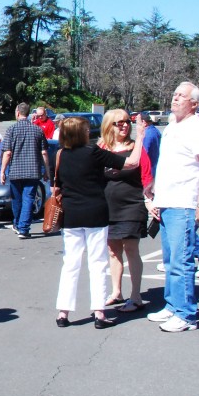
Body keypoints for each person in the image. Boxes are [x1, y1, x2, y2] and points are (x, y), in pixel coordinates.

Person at [54, 116, 144, 329]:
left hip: (71, 214)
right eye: (86, 130)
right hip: (95, 212)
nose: (89, 133)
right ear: (80, 133)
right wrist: (140, 136)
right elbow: (132, 163)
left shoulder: (60, 154)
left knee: (70, 263)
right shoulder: (93, 152)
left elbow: (56, 186)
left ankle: (63, 312)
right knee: (97, 263)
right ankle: (99, 313)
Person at [146, 82, 199, 333]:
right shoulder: (172, 126)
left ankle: (186, 315)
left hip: (184, 203)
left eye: (182, 96)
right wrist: (155, 194)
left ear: (194, 104)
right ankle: (172, 306)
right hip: (166, 201)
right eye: (174, 94)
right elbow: (168, 164)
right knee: (169, 260)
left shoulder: (197, 127)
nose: (175, 98)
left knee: (181, 261)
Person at [98, 109, 148, 311]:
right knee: (113, 251)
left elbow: (147, 174)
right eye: (120, 123)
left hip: (132, 205)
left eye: (127, 122)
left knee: (131, 249)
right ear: (109, 126)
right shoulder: (101, 148)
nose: (125, 125)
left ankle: (136, 296)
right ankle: (116, 292)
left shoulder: (136, 148)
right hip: (108, 207)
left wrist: (150, 199)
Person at [0, 103, 50, 239]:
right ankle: (23, 228)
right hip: (33, 171)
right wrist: (47, 171)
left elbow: (7, 153)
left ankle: (18, 224)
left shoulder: (11, 129)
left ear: (17, 113)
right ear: (28, 114)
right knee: (28, 199)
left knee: (16, 199)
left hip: (16, 171)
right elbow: (44, 152)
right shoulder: (37, 130)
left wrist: (2, 171)